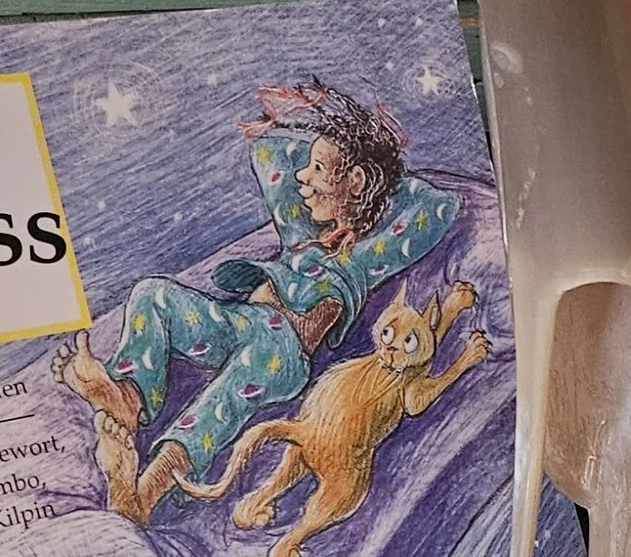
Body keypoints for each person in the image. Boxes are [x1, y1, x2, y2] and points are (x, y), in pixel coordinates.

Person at [55, 80, 459, 526]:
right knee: (153, 294)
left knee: (217, 405)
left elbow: (438, 206)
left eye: (319, 169)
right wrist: (325, 136)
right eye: (308, 166)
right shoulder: (301, 230)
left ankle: (140, 497)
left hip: (279, 351)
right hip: (243, 320)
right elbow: (269, 151)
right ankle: (128, 397)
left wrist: (375, 186)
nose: (303, 178)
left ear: (357, 180)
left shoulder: (368, 254)